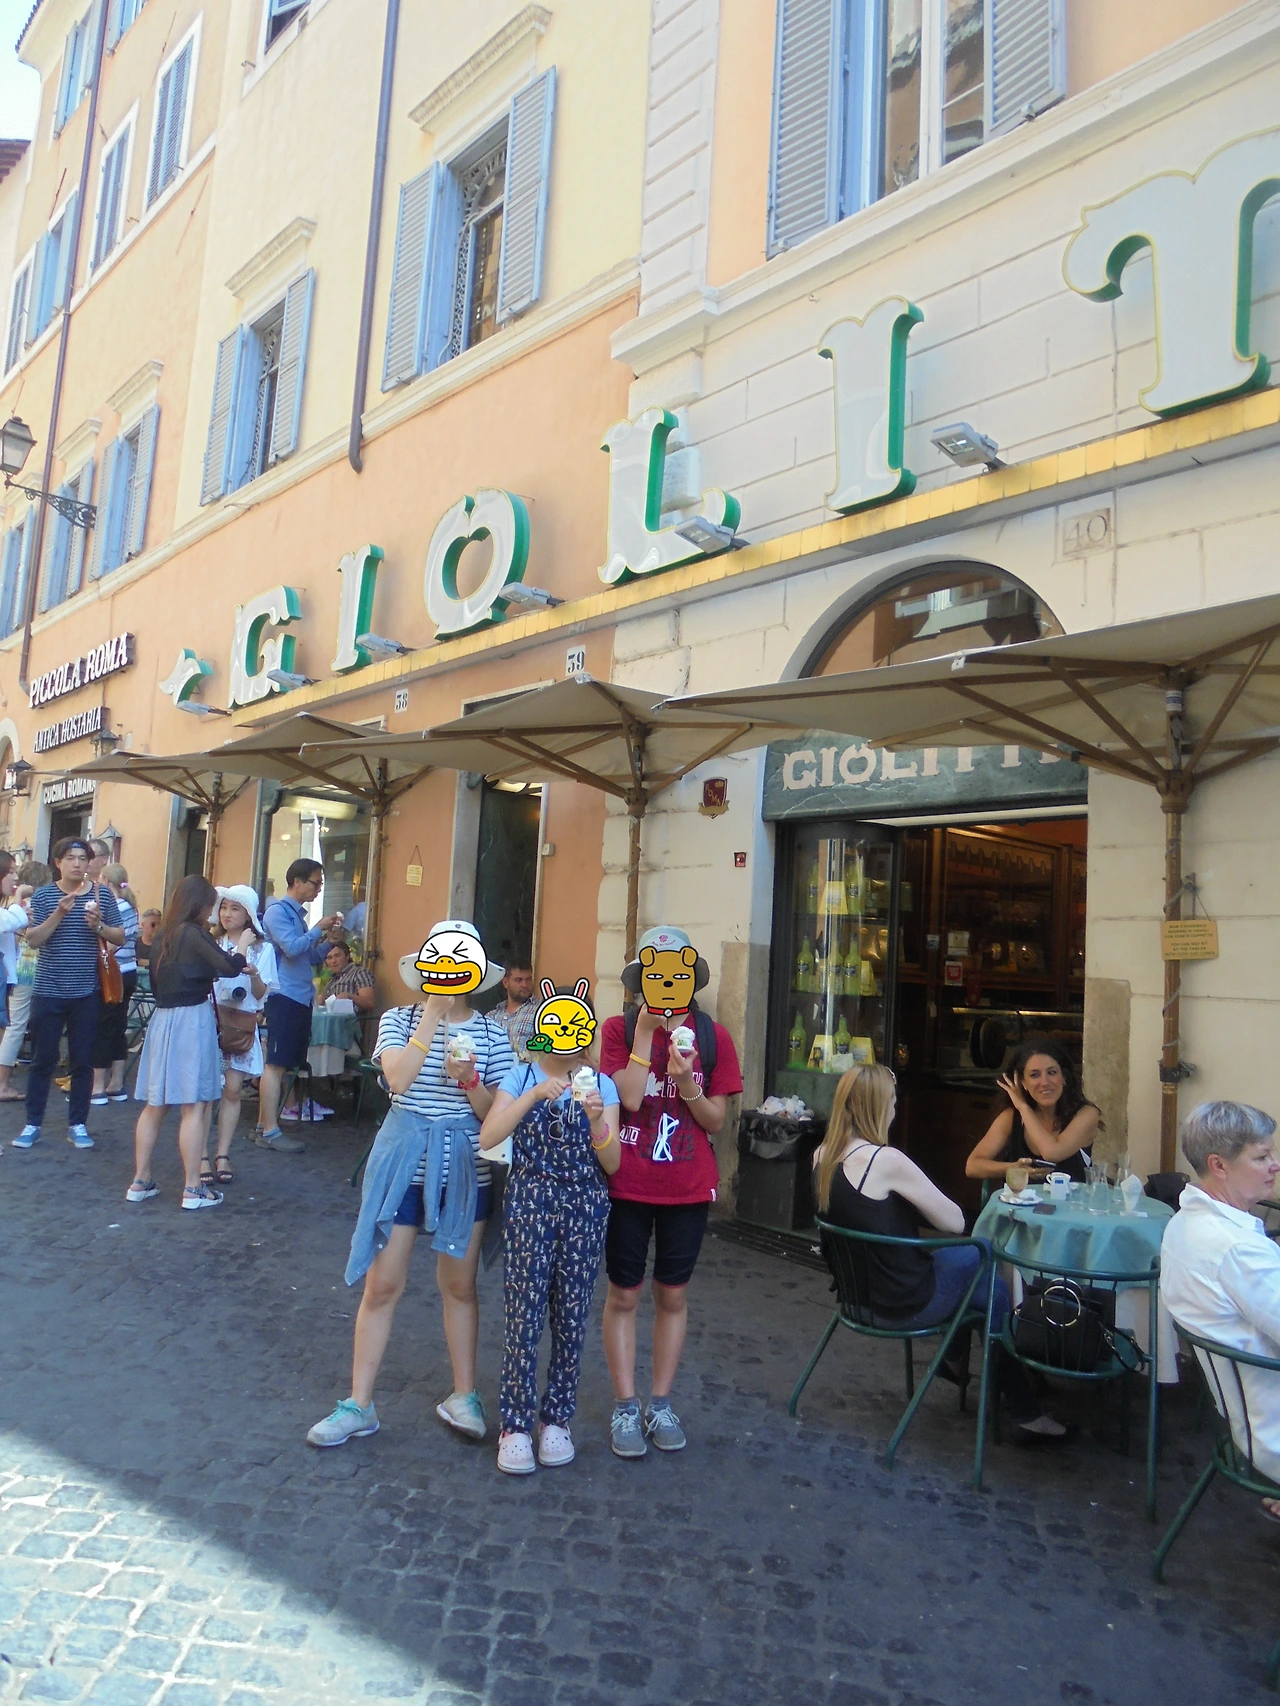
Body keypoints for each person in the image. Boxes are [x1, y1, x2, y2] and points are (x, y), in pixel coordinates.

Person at [307, 923, 512, 1450]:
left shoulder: (493, 1035)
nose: (446, 975)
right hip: (403, 1166)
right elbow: (397, 1080)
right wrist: (431, 1019)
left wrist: (470, 1081)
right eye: (438, 965)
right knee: (382, 1285)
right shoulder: (398, 1019)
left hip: (465, 1167)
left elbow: (496, 1117)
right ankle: (359, 1404)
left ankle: (464, 1395)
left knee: (459, 1286)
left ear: (474, 974)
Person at [814, 1062, 1066, 1439]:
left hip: (857, 1299)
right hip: (901, 1304)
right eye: (893, 1102)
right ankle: (1016, 1403)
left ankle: (982, 1379)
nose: (895, 1109)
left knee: (985, 1288)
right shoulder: (886, 1161)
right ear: (878, 1107)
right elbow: (954, 1222)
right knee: (984, 1255)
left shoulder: (821, 1156)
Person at [598, 924, 743, 1458]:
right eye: (652, 975)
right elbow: (629, 1101)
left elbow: (717, 1120)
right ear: (639, 980)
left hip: (687, 1186)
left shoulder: (713, 1037)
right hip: (628, 1184)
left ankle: (660, 1402)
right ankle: (624, 1404)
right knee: (623, 1294)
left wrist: (687, 1084)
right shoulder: (618, 1030)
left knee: (673, 1295)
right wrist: (643, 1037)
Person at [480, 993, 621, 1474]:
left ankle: (557, 1420)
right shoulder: (520, 1077)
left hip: (584, 1207)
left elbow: (612, 1163)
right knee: (522, 1316)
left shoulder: (602, 1084)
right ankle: (515, 1425)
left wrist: (598, 1120)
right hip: (530, 1204)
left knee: (572, 1317)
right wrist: (533, 1096)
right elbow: (489, 1135)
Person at [1160, 1101, 1280, 1504]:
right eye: (1261, 1157)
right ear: (1219, 1165)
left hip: (1242, 1413)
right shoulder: (1236, 1249)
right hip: (1269, 1429)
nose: (1275, 1165)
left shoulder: (1183, 1222)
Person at [127, 875, 252, 1212]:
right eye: (211, 905)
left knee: (155, 1104)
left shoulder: (164, 935)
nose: (213, 911)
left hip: (163, 1019)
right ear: (199, 904)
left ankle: (140, 1180)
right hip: (191, 1019)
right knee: (194, 1105)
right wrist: (243, 946)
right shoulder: (193, 933)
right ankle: (193, 1187)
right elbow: (228, 966)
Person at [15, 838, 124, 1152]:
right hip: (48, 990)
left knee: (82, 1061)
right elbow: (33, 940)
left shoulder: (101, 894)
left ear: (89, 863)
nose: (77, 863)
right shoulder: (45, 895)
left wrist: (99, 926)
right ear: (58, 862)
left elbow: (120, 935)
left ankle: (78, 1124)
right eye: (71, 858)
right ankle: (32, 1123)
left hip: (87, 992)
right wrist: (59, 914)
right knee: (42, 1060)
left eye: (82, 858)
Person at [257, 859, 341, 1152]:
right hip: (284, 995)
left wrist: (329, 942)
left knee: (282, 1063)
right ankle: (270, 1131)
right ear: (297, 882)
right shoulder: (277, 912)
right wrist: (318, 929)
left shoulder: (297, 917)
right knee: (275, 1064)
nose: (318, 889)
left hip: (299, 996)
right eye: (316, 883)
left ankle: (263, 1125)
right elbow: (292, 949)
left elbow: (309, 957)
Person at [205, 886, 277, 1187]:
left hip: (241, 1024)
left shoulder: (263, 949)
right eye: (224, 907)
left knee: (233, 1090)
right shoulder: (211, 942)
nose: (227, 914)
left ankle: (222, 1153)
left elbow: (261, 995)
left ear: (248, 914)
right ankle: (201, 1155)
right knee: (206, 1091)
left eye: (235, 908)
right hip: (211, 1020)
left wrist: (253, 974)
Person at [965, 1038, 1099, 1186]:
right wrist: (1013, 1168)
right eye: (1035, 1075)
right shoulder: (1011, 1117)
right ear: (1023, 1082)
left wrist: (1023, 1107)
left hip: (1072, 1200)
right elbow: (972, 1166)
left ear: (1064, 1078)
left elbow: (1052, 1153)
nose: (1045, 1082)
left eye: (1052, 1072)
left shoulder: (1086, 1114)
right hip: (1020, 1200)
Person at [0, 859, 49, 1101]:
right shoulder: (24, 906)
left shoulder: (14, 905)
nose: (14, 877)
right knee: (15, 1026)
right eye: (10, 872)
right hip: (28, 969)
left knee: (12, 1024)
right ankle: (2, 1083)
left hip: (19, 969)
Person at [91, 863, 139, 1105]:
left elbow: (110, 945)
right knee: (117, 1027)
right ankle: (116, 1083)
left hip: (112, 973)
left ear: (107, 883)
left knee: (102, 1027)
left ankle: (97, 1086)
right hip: (127, 972)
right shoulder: (130, 907)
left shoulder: (117, 908)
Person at [492, 958, 537, 1058]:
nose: (524, 985)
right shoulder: (492, 1016)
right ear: (505, 982)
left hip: (526, 1067)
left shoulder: (541, 1011)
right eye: (518, 980)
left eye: (528, 979)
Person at [320, 940, 375, 1013]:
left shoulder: (359, 973)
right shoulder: (331, 980)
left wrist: (349, 996)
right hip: (332, 1018)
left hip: (353, 1019)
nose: (333, 961)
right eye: (329, 958)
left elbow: (369, 1002)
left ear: (347, 956)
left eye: (337, 956)